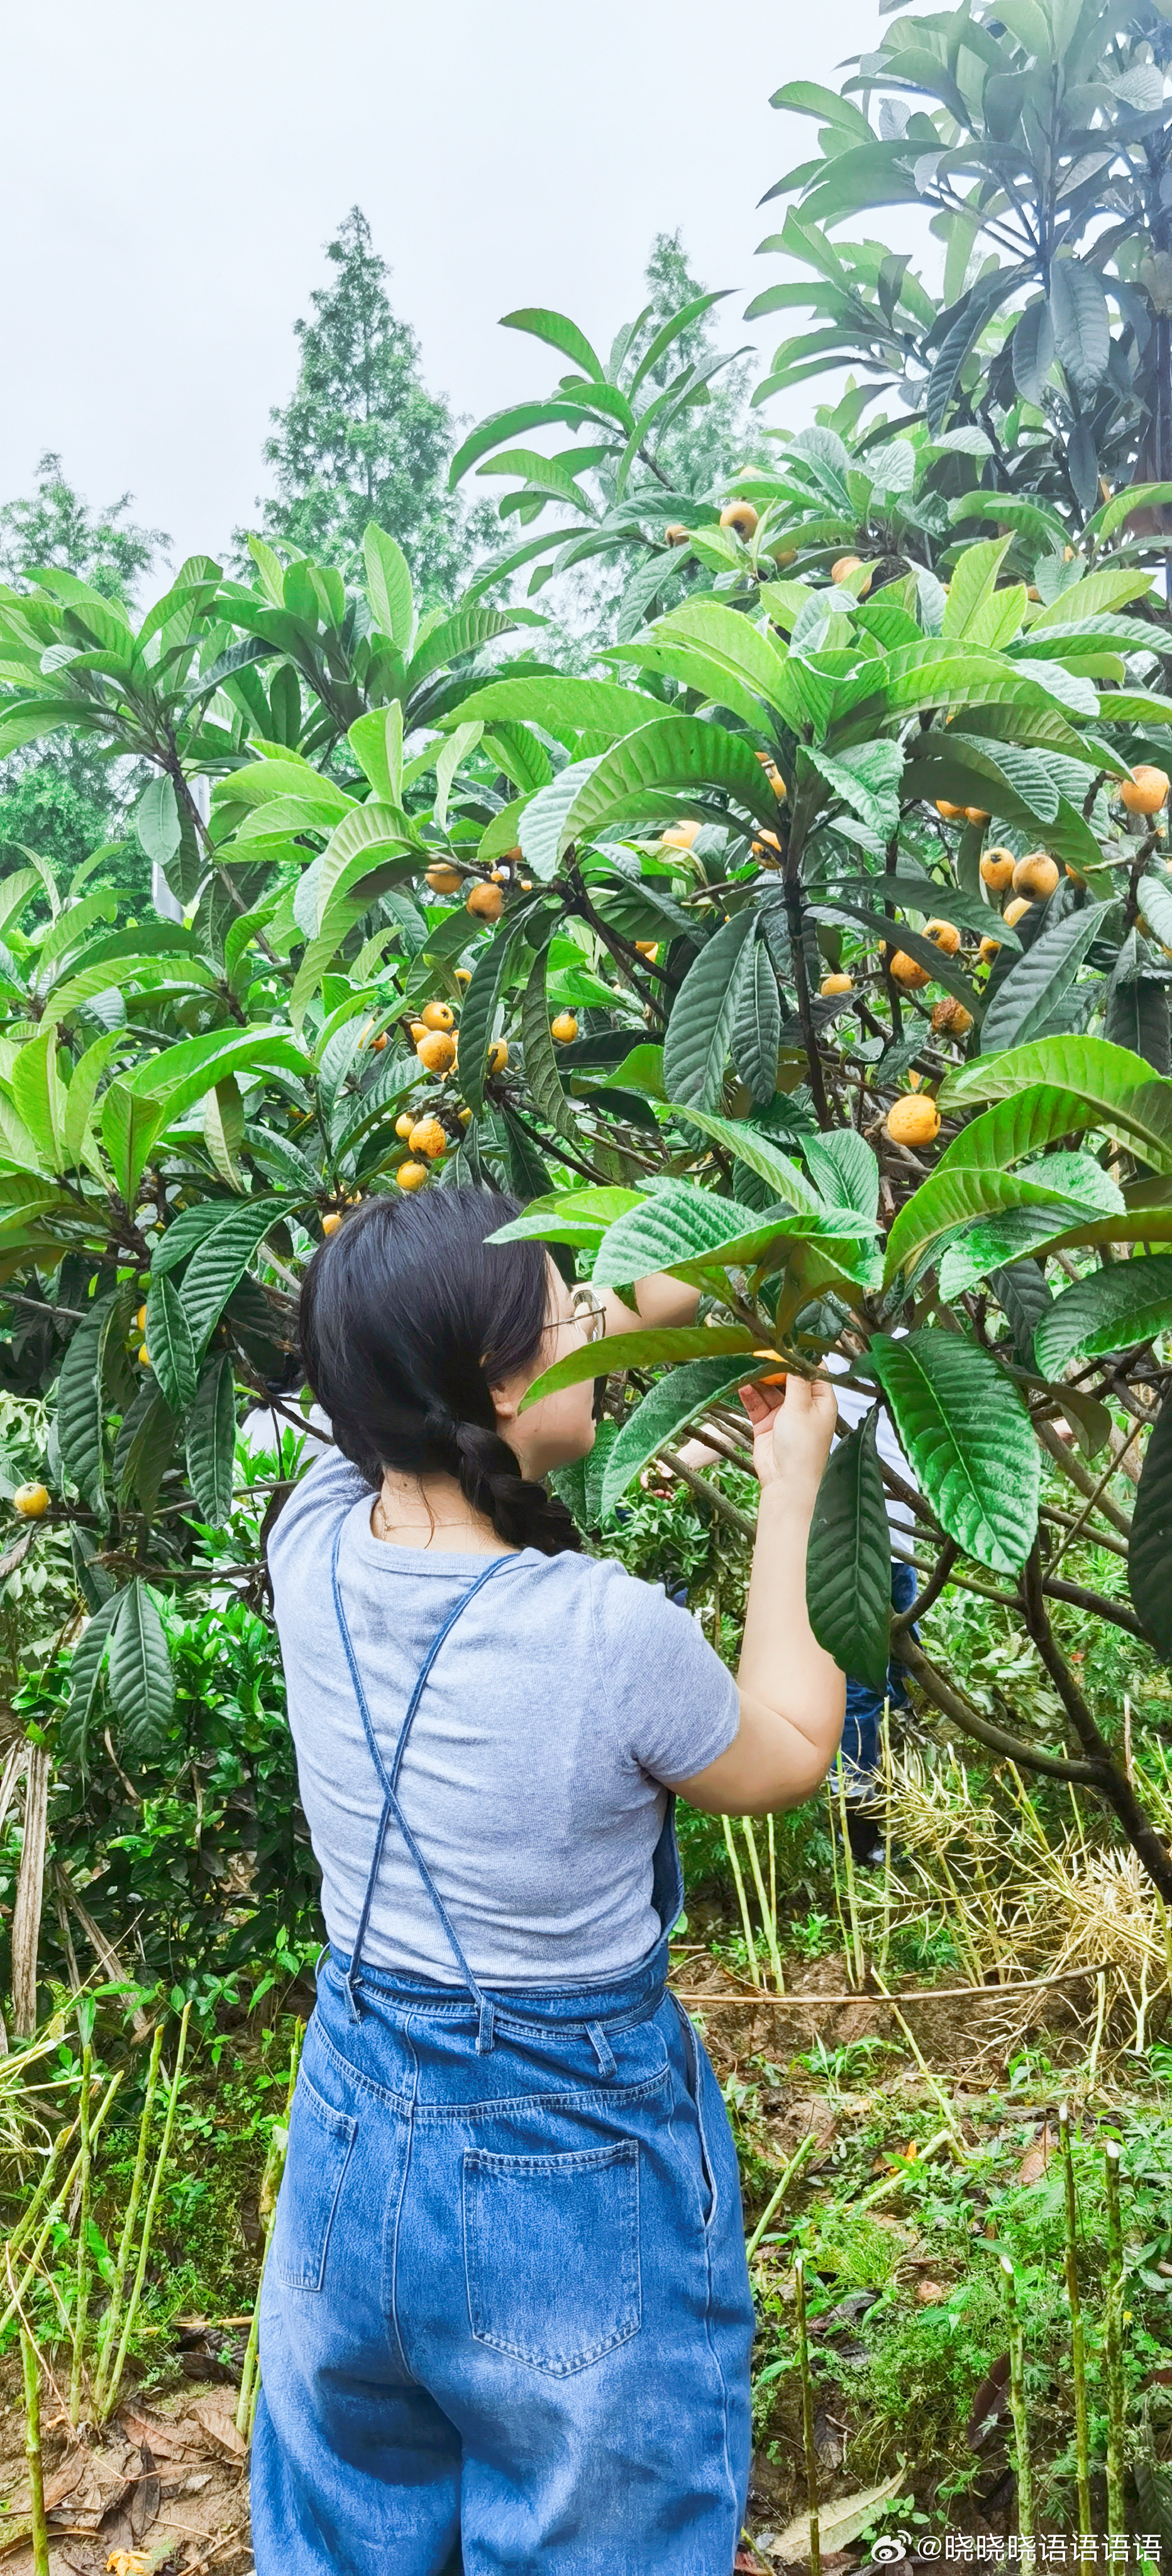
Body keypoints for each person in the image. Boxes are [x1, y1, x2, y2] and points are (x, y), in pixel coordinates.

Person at [250, 1187, 844, 2576]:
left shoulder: (312, 1540)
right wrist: (792, 1484)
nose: (597, 1318)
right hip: (561, 2159)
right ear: (503, 1382)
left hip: (351, 2128)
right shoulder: (600, 1630)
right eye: (569, 1309)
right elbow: (786, 1751)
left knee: (350, 2534)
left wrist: (689, 1272)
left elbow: (510, 1351)